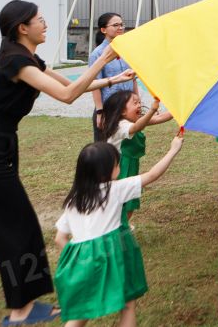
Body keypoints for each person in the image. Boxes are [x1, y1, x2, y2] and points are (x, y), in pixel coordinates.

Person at [0, 0, 134, 327]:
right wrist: (103, 58)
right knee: (19, 226)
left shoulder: (30, 59)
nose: (45, 25)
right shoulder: (15, 60)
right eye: (40, 20)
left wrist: (112, 81)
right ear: (23, 27)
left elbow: (69, 85)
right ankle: (22, 310)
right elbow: (66, 97)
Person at [54, 132, 184, 325]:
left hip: (82, 264)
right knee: (127, 303)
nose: (119, 166)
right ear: (106, 172)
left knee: (82, 312)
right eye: (117, 164)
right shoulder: (114, 190)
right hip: (110, 258)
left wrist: (83, 259)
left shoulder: (74, 200)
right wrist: (173, 149)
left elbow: (60, 238)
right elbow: (153, 174)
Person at [97, 91, 174, 223]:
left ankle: (121, 225)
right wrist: (152, 110)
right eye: (134, 103)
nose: (139, 105)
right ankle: (118, 226)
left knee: (129, 200)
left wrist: (179, 110)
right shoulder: (120, 125)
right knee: (123, 200)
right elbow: (136, 127)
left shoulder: (133, 120)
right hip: (119, 168)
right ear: (122, 111)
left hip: (129, 165)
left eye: (139, 102)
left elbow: (159, 118)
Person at [90, 13, 137, 141]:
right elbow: (95, 85)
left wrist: (138, 102)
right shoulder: (97, 54)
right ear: (103, 30)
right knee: (105, 149)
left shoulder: (127, 50)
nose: (120, 28)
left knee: (127, 146)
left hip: (128, 107)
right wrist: (100, 112)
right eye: (115, 25)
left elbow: (133, 79)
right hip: (109, 109)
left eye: (122, 24)